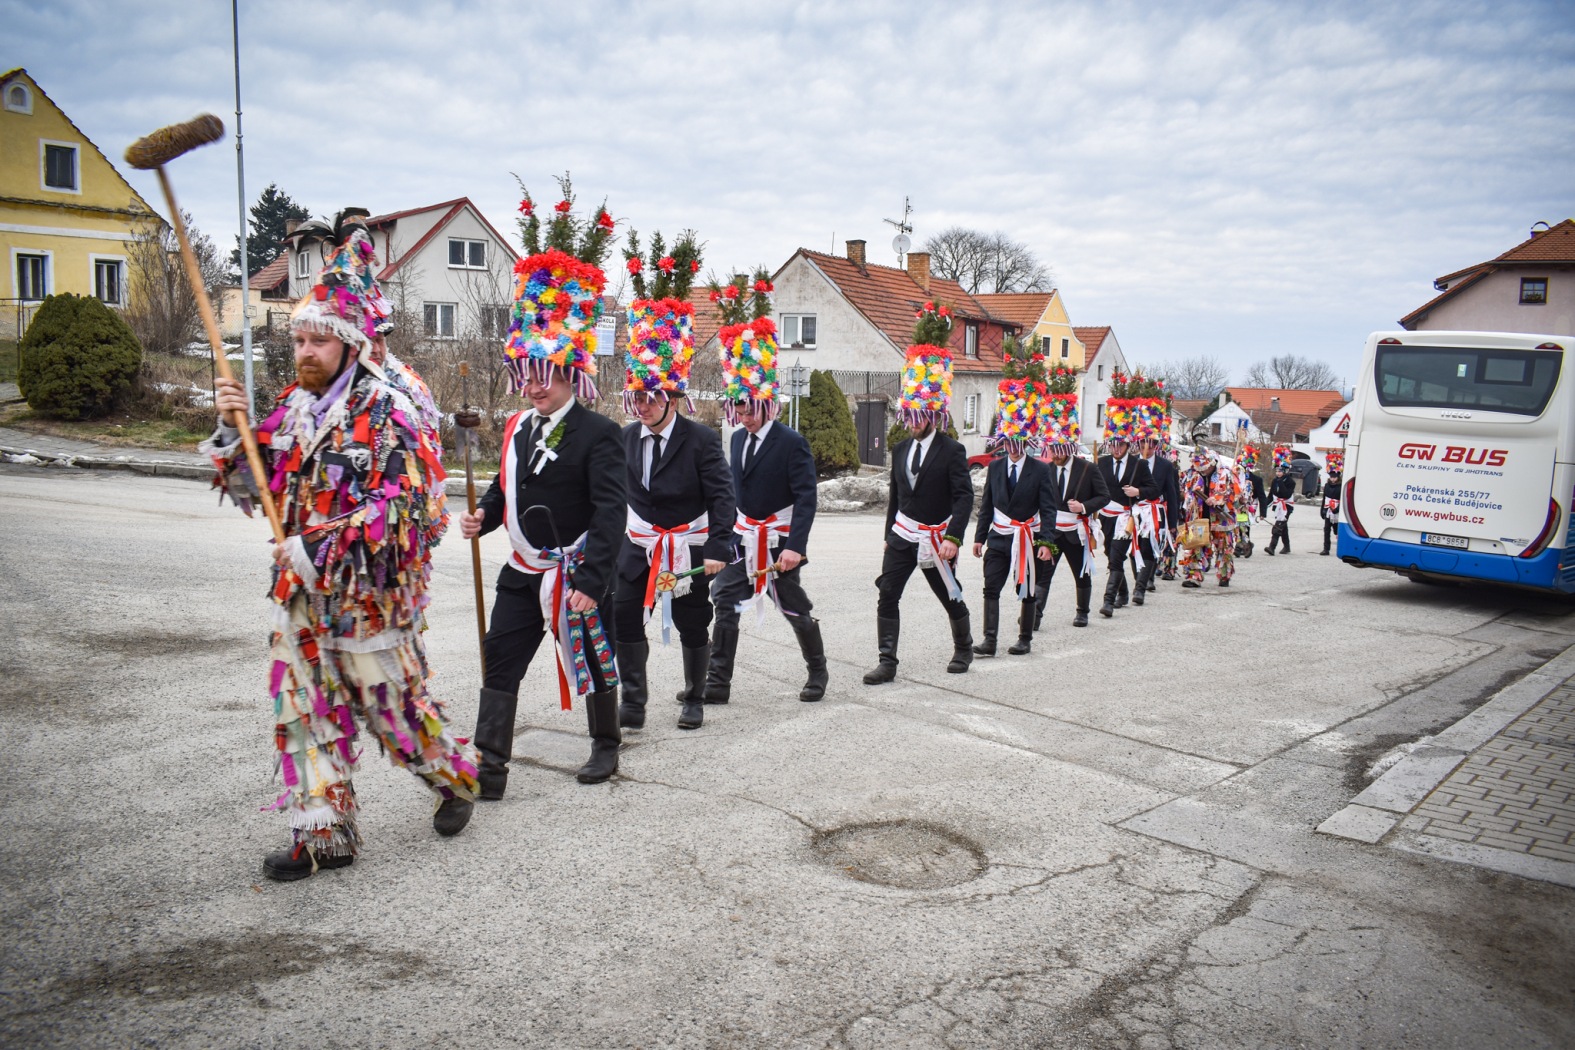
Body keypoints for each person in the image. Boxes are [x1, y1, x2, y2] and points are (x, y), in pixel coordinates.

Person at [202, 214, 477, 881]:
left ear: (351, 344)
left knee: (395, 718)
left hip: (370, 605)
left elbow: (410, 512)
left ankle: (455, 777)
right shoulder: (293, 408)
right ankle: (324, 837)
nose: (305, 350)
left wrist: (319, 547)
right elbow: (258, 486)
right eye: (299, 338)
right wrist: (231, 433)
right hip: (303, 602)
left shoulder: (390, 411)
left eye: (318, 340)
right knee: (304, 714)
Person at [462, 230, 627, 796]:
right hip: (523, 569)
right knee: (500, 657)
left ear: (569, 372)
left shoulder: (599, 433)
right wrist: (484, 517)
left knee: (594, 660)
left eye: (543, 372)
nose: (532, 385)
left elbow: (611, 511)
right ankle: (490, 766)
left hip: (576, 571)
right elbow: (505, 486)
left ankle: (605, 744)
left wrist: (592, 580)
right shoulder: (516, 426)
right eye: (525, 373)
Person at [616, 294, 735, 732]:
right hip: (639, 546)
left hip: (686, 547)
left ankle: (695, 698)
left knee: (692, 621)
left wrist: (719, 545)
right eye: (636, 398)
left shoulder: (701, 440)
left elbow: (722, 496)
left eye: (650, 398)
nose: (642, 406)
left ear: (671, 398)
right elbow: (610, 494)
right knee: (624, 615)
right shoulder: (625, 439)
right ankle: (633, 701)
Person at [703, 285, 826, 702]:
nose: (743, 416)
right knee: (724, 598)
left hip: (778, 542)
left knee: (793, 608)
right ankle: (717, 683)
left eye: (749, 407)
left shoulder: (792, 443)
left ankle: (818, 671)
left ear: (767, 402)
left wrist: (796, 546)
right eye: (737, 408)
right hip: (743, 541)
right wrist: (723, 537)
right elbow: (733, 493)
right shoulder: (737, 439)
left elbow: (807, 498)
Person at [866, 307, 975, 683]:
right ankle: (887, 661)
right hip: (902, 535)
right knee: (887, 593)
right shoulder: (899, 450)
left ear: (932, 412)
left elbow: (964, 497)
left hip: (936, 537)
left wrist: (953, 538)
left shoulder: (952, 451)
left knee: (948, 594)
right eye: (908, 413)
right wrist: (888, 536)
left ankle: (964, 648)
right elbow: (895, 497)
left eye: (917, 414)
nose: (911, 421)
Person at [971, 359, 1056, 655]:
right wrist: (979, 537)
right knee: (990, 586)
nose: (1014, 448)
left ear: (1027, 441)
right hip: (1000, 537)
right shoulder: (995, 468)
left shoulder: (1041, 470)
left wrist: (1046, 542)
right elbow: (987, 505)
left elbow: (1048, 509)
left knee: (1027, 588)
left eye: (1019, 442)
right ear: (1004, 440)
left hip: (1029, 538)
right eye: (1009, 442)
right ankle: (989, 640)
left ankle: (1024, 638)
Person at [1035, 439, 1110, 627]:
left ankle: (1082, 612)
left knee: (1081, 573)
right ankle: (1035, 614)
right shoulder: (1047, 469)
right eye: (1052, 450)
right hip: (1051, 532)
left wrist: (1083, 506)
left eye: (1059, 450)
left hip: (1076, 531)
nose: (1055, 455)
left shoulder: (1087, 468)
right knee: (1043, 573)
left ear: (1069, 448)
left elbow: (1104, 496)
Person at [1096, 434, 1158, 617]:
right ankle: (1123, 593)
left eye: (1120, 445)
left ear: (1127, 445)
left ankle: (1108, 600)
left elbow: (1154, 489)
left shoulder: (1138, 464)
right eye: (1113, 445)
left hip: (1125, 517)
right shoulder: (1101, 463)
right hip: (1105, 516)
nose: (1116, 449)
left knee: (1117, 557)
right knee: (1110, 554)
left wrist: (1138, 491)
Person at [1179, 447, 1245, 587]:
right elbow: (1188, 492)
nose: (1202, 471)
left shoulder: (1226, 474)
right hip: (1200, 516)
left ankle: (1224, 574)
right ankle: (1194, 576)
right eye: (1200, 468)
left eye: (1205, 468)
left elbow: (1234, 494)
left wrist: (1218, 499)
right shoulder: (1194, 475)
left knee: (1223, 548)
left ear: (1212, 463)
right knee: (1195, 546)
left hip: (1221, 519)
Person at [1136, 436, 1180, 596]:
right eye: (1142, 446)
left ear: (1155, 446)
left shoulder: (1165, 466)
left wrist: (1173, 521)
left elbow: (1172, 493)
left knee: (1151, 545)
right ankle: (1140, 577)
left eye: (1149, 446)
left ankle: (1146, 580)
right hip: (1135, 510)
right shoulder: (1132, 462)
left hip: (1155, 510)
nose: (1146, 450)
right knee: (1136, 547)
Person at [1267, 461, 1297, 555]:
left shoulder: (1290, 482)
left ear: (1285, 471)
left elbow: (1286, 494)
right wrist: (1264, 506)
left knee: (1278, 526)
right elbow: (1271, 495)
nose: (1278, 473)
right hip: (1278, 506)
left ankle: (1272, 547)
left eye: (1280, 471)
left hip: (1286, 506)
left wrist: (1280, 482)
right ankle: (1287, 547)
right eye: (1277, 471)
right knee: (1283, 527)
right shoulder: (1274, 481)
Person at [1321, 452, 1344, 555]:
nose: (1333, 479)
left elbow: (1342, 499)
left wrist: (1337, 509)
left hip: (1337, 510)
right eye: (1331, 477)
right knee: (1326, 529)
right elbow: (1324, 498)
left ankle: (1342, 547)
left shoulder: (1341, 486)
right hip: (1328, 509)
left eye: (1334, 477)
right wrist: (1323, 510)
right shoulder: (1327, 485)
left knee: (1337, 530)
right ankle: (1326, 549)